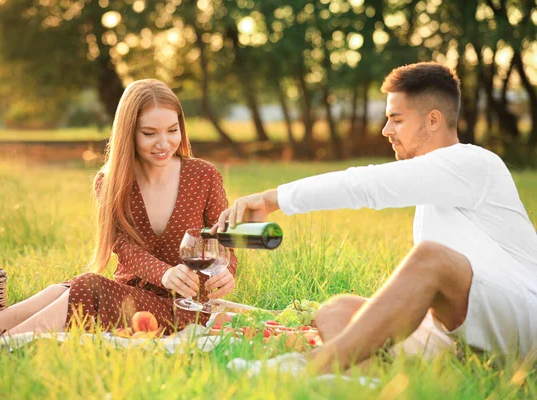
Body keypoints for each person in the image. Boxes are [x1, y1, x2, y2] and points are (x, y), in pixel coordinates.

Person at [214, 62, 537, 371]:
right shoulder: (432, 189)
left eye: (397, 119)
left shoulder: (474, 164)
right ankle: (362, 380)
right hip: (458, 332)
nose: (386, 130)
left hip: (523, 322)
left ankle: (309, 367)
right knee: (337, 310)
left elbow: (364, 185)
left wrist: (273, 199)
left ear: (433, 120)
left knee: (431, 257)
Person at [0, 79, 237, 350]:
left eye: (173, 130)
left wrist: (227, 272)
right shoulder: (110, 182)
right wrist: (165, 272)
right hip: (132, 293)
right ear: (128, 133)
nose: (164, 143)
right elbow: (124, 247)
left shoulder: (204, 175)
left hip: (184, 306)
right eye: (149, 133)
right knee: (61, 290)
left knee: (89, 286)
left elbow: (226, 241)